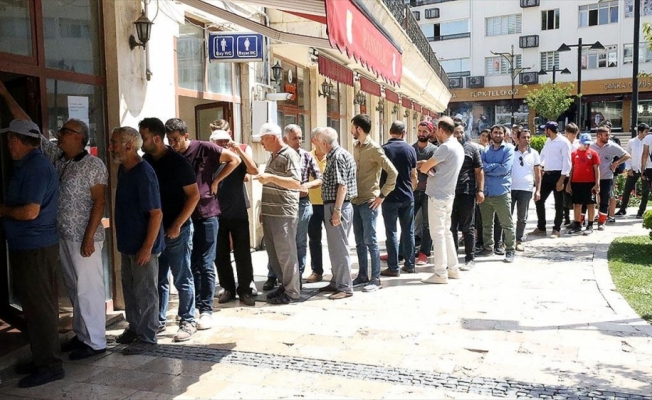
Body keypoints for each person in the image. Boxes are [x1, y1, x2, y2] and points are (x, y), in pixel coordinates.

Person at [0, 84, 63, 387]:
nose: (8, 145)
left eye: (10, 139)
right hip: (28, 246)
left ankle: (50, 364)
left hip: (36, 247)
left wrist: (1, 210)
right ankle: (42, 358)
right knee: (34, 306)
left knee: (40, 308)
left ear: (19, 141)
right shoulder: (27, 163)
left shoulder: (36, 167)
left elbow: (30, 212)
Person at [42, 119, 109, 359]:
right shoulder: (60, 159)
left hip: (84, 237)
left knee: (88, 289)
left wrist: (89, 237)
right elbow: (32, 131)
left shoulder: (94, 164)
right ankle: (82, 336)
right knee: (74, 287)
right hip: (64, 235)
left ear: (79, 137)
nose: (59, 134)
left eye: (65, 131)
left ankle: (96, 342)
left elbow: (99, 202)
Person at [165, 118, 240, 330]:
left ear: (186, 136)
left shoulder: (205, 148)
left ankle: (206, 309)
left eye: (176, 139)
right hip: (183, 215)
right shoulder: (172, 156)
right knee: (191, 264)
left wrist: (216, 181)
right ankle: (195, 306)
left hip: (206, 213)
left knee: (206, 262)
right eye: (169, 140)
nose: (173, 144)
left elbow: (234, 160)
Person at [139, 118, 200, 342]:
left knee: (182, 277)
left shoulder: (178, 163)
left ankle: (187, 320)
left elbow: (194, 196)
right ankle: (158, 319)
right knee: (158, 279)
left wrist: (177, 225)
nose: (140, 142)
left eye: (143, 137)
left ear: (156, 138)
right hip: (155, 232)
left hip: (177, 231)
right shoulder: (145, 161)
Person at [109, 126, 165, 355]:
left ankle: (147, 336)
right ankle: (135, 327)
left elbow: (156, 214)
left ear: (129, 146)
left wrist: (146, 247)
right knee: (130, 290)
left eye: (114, 143)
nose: (110, 147)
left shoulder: (144, 174)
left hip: (144, 247)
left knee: (145, 291)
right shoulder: (124, 169)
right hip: (128, 243)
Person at [264, 125, 322, 289]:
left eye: (300, 137)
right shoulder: (276, 156)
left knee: (299, 242)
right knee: (277, 242)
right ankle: (273, 275)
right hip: (280, 205)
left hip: (301, 204)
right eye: (295, 138)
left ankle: (297, 277)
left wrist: (307, 185)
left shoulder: (306, 156)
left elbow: (320, 179)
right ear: (285, 139)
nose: (299, 141)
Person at [253, 123, 302, 304]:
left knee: (286, 254)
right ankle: (284, 285)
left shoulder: (289, 155)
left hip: (284, 213)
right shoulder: (273, 155)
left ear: (273, 138)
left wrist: (271, 178)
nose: (262, 144)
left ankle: (292, 292)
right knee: (274, 256)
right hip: (270, 213)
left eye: (263, 139)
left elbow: (296, 183)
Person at [210, 130, 259, 306]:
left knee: (243, 253)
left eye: (226, 141)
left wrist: (239, 150)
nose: (223, 145)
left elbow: (253, 170)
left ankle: (245, 290)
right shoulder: (210, 162)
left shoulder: (237, 161)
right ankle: (228, 288)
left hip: (238, 214)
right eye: (219, 142)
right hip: (216, 214)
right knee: (220, 255)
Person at [350, 114, 398, 292]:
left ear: (359, 129)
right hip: (355, 199)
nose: (351, 130)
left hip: (369, 202)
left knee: (370, 241)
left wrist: (382, 196)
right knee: (359, 242)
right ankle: (362, 275)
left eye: (352, 127)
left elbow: (393, 173)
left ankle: (375, 279)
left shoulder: (375, 149)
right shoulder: (356, 146)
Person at [313, 127, 357, 299]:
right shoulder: (341, 154)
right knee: (335, 247)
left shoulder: (337, 157)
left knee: (340, 248)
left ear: (324, 143)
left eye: (318, 141)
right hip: (337, 206)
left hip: (337, 206)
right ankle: (337, 282)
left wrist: (337, 211)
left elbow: (342, 185)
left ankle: (345, 287)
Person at [419, 117, 465, 284]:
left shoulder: (445, 147)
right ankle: (453, 268)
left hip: (437, 195)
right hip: (448, 194)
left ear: (441, 130)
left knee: (437, 235)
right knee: (446, 233)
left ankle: (440, 272)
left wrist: (425, 165)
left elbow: (424, 168)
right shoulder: (457, 146)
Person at [379, 121, 417, 277]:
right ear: (404, 133)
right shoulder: (410, 149)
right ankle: (410, 264)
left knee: (391, 232)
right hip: (407, 195)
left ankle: (393, 267)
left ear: (390, 131)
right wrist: (412, 188)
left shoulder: (383, 149)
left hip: (389, 197)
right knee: (408, 231)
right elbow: (414, 174)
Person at [476, 125, 516, 263]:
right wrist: (494, 166)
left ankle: (510, 250)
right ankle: (488, 248)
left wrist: (488, 167)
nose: (498, 135)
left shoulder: (509, 149)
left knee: (507, 223)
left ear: (504, 134)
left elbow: (505, 169)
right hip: (486, 192)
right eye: (495, 132)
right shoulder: (485, 150)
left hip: (501, 192)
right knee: (487, 223)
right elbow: (481, 167)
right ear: (491, 135)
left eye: (500, 133)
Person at [451, 122, 484, 271]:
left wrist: (480, 190)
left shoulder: (472, 149)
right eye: (456, 133)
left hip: (467, 192)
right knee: (450, 228)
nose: (459, 135)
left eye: (461, 132)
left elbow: (479, 171)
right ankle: (452, 259)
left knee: (468, 226)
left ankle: (470, 258)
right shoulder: (446, 148)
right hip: (449, 193)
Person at [531, 121, 571, 239]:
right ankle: (541, 227)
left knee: (558, 204)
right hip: (547, 175)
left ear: (549, 130)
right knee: (539, 199)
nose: (544, 132)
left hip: (560, 175)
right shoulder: (548, 141)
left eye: (545, 129)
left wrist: (562, 179)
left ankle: (556, 229)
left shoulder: (564, 142)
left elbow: (567, 162)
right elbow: (542, 156)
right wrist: (541, 167)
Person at [407, 121, 438, 267]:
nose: (421, 134)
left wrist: (421, 165)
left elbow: (434, 170)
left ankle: (424, 252)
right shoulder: (411, 148)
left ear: (430, 133)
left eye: (425, 131)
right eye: (419, 131)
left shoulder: (434, 150)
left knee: (427, 224)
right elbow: (408, 168)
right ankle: (403, 251)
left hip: (428, 191)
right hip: (412, 190)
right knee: (407, 221)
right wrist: (423, 164)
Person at [590, 126, 629, 231]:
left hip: (607, 177)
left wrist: (616, 162)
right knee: (590, 200)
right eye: (606, 135)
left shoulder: (612, 146)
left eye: (609, 134)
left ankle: (602, 222)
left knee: (604, 199)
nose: (609, 137)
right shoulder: (591, 146)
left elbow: (627, 155)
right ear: (599, 135)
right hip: (591, 178)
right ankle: (588, 222)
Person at [511, 129, 541, 251]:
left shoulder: (534, 153)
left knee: (522, 217)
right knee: (507, 216)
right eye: (524, 137)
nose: (527, 139)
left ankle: (519, 240)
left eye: (528, 137)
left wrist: (538, 190)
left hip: (526, 189)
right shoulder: (511, 152)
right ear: (517, 139)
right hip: (510, 188)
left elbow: (538, 173)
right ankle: (506, 240)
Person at [566, 133, 600, 235]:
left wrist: (597, 183)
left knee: (590, 204)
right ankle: (577, 224)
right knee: (577, 203)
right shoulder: (574, 154)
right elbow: (571, 169)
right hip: (576, 182)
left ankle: (590, 225)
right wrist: (569, 183)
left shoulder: (593, 153)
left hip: (589, 183)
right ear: (580, 143)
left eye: (588, 144)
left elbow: (596, 169)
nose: (586, 146)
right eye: (585, 144)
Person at [306, 129, 329, 283]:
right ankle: (317, 271)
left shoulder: (333, 156)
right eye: (320, 139)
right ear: (314, 140)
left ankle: (337, 271)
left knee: (335, 240)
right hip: (312, 204)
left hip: (329, 203)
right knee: (314, 240)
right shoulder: (307, 157)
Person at [616, 123, 649, 217]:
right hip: (633, 169)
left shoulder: (649, 142)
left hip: (645, 170)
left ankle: (641, 211)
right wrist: (628, 168)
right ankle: (622, 209)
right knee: (627, 190)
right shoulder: (632, 142)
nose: (647, 133)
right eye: (646, 131)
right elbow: (628, 155)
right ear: (640, 132)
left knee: (645, 192)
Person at [563, 123, 581, 227]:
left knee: (575, 196)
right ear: (567, 133)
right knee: (565, 195)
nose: (574, 136)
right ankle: (566, 217)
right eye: (572, 134)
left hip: (576, 173)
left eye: (575, 134)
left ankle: (577, 218)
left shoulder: (578, 144)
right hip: (565, 172)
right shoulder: (563, 143)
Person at [640, 125, 652, 217]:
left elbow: (645, 154)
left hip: (650, 167)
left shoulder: (648, 138)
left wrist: (643, 169)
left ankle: (642, 212)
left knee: (647, 190)